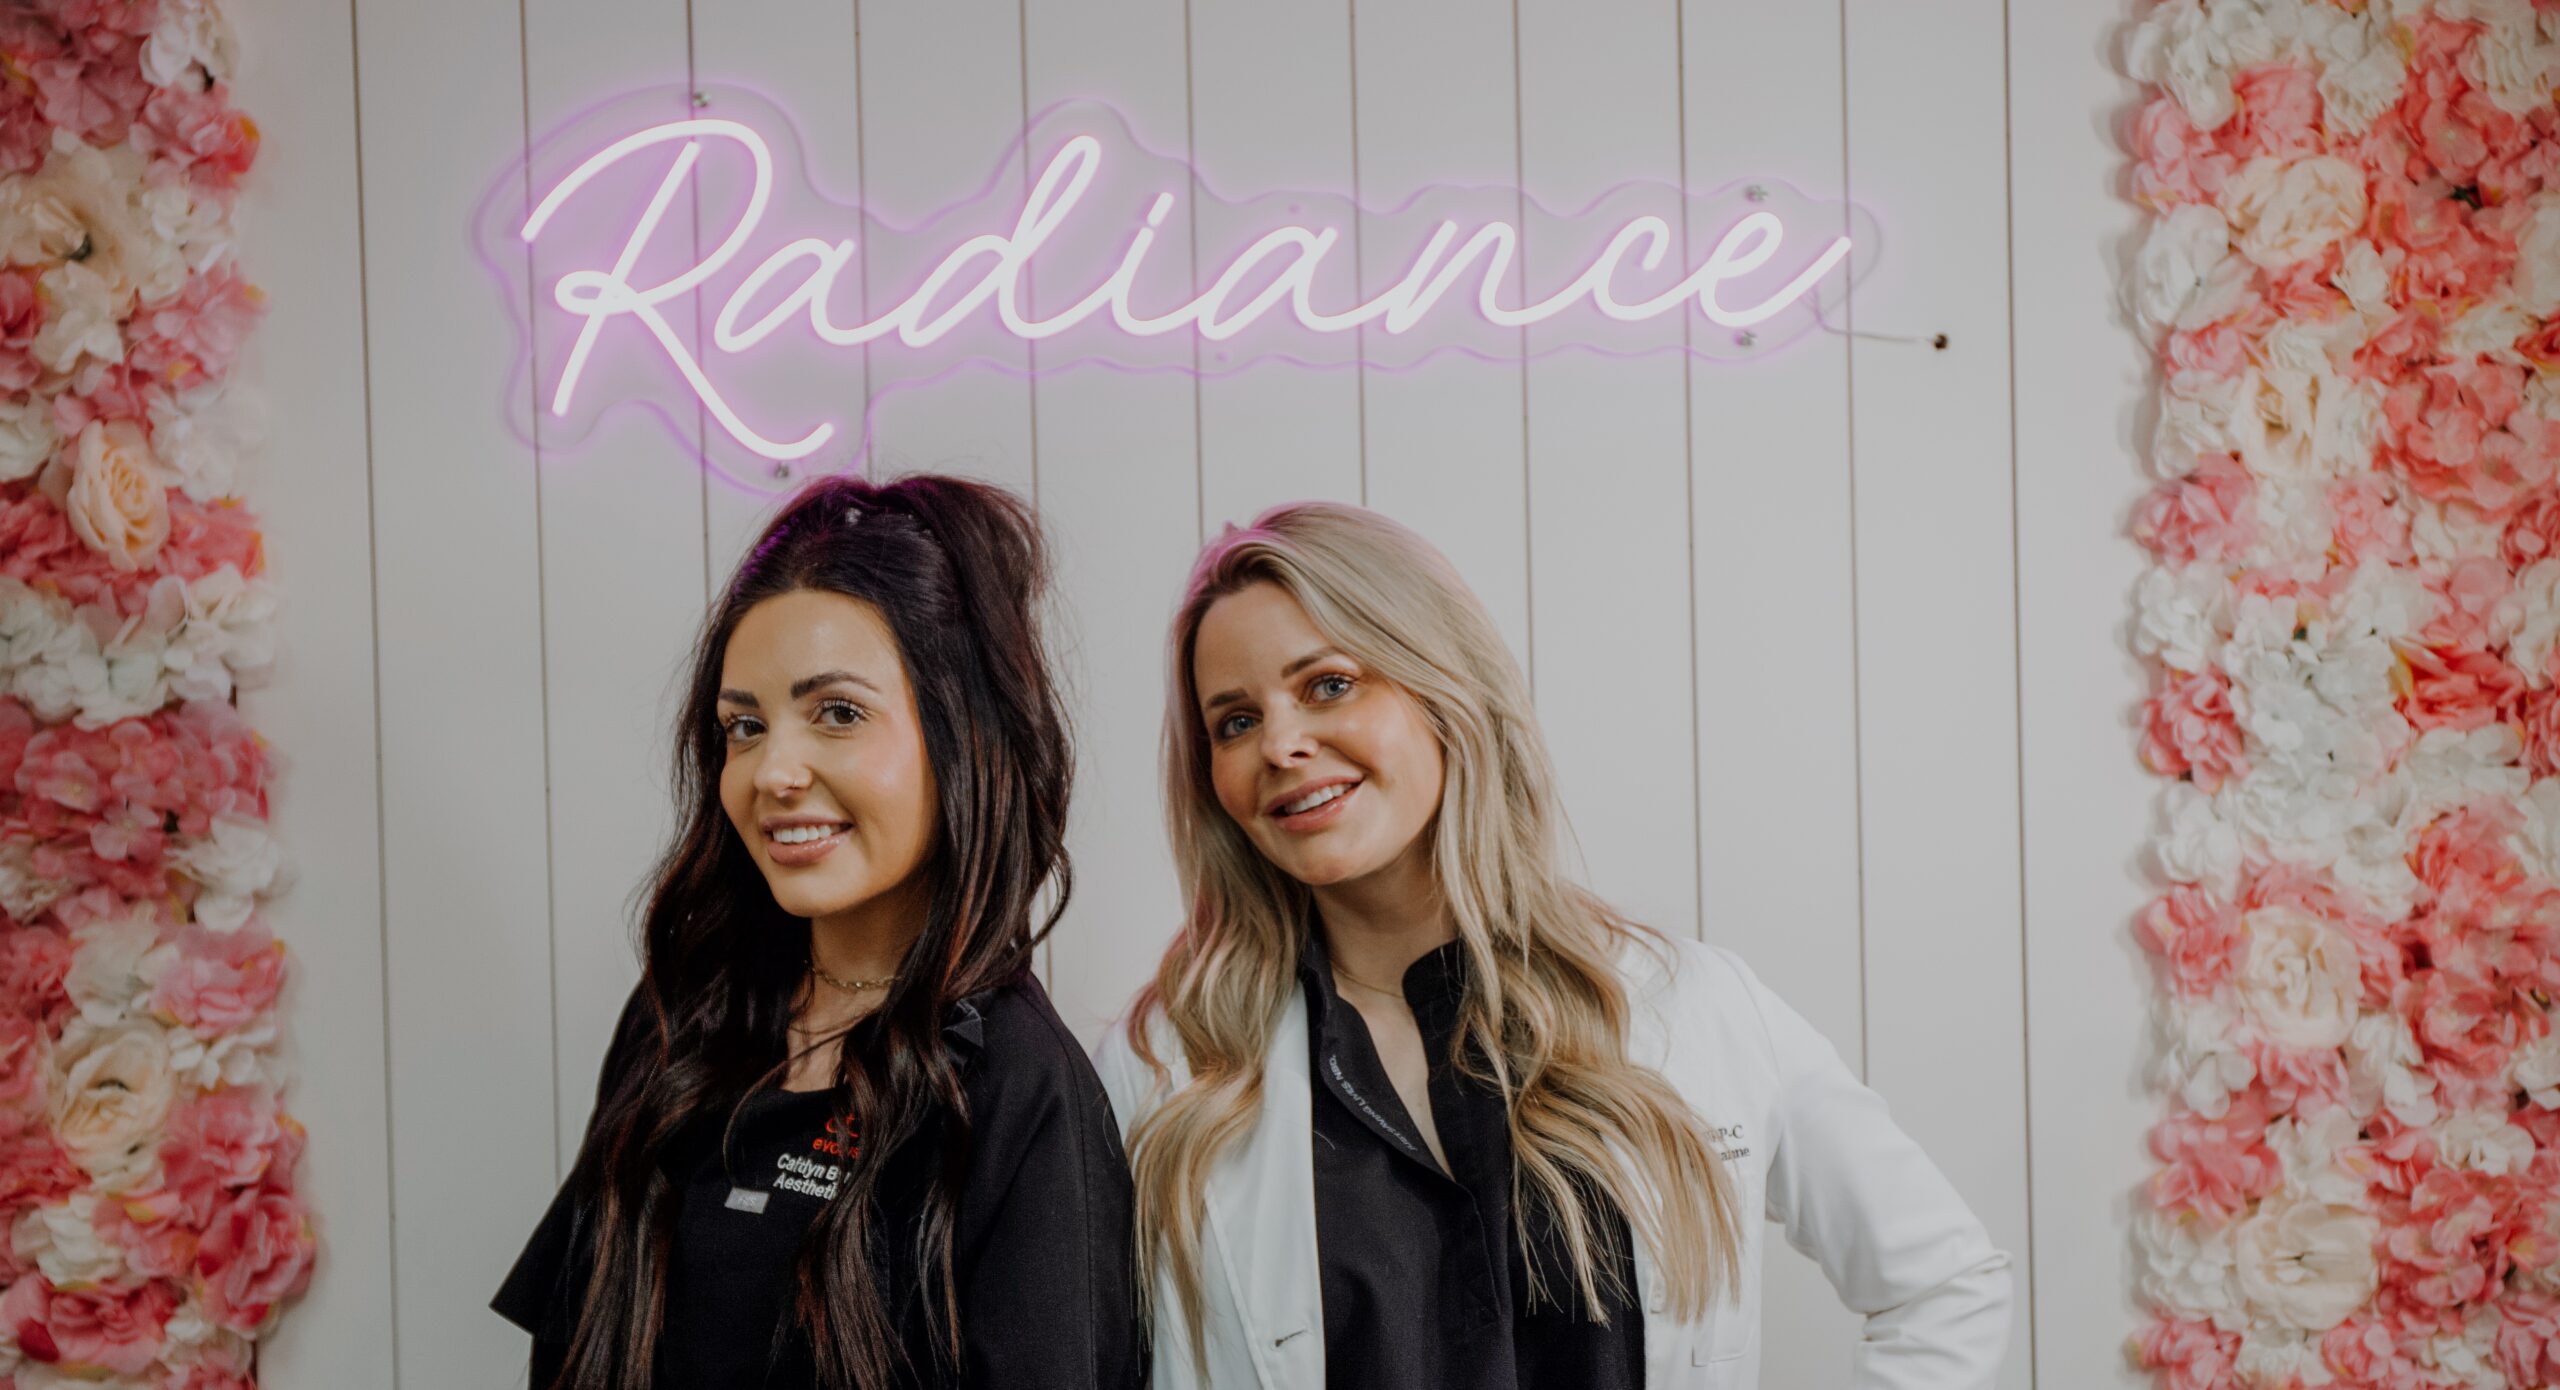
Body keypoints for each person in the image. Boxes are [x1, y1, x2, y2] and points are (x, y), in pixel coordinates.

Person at [1093, 500, 2012, 1389]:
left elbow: (1944, 1288)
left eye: (1328, 684)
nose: (1281, 744)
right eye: (1236, 721)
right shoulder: (1166, 1076)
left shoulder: (1690, 1007)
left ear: (1444, 692)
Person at [490, 473, 1144, 1390]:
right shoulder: (682, 1016)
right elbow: (571, 1350)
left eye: (837, 713)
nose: (773, 771)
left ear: (963, 736)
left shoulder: (1017, 1089)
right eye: (743, 727)